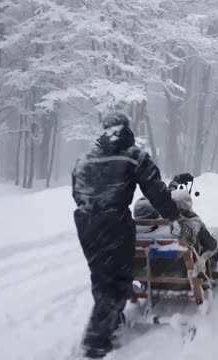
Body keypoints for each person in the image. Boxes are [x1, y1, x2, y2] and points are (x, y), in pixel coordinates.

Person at [71, 112, 182, 359]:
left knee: (101, 275)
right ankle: (96, 343)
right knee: (118, 280)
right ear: (127, 129)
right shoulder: (134, 156)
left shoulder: (85, 159)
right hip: (114, 221)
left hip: (84, 221)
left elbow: (76, 191)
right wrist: (174, 217)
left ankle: (111, 320)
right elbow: (156, 190)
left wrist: (92, 211)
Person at [170, 190, 218, 268]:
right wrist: (216, 242)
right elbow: (210, 244)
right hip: (188, 263)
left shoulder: (163, 221)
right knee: (212, 249)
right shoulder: (193, 222)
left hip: (164, 262)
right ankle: (213, 270)